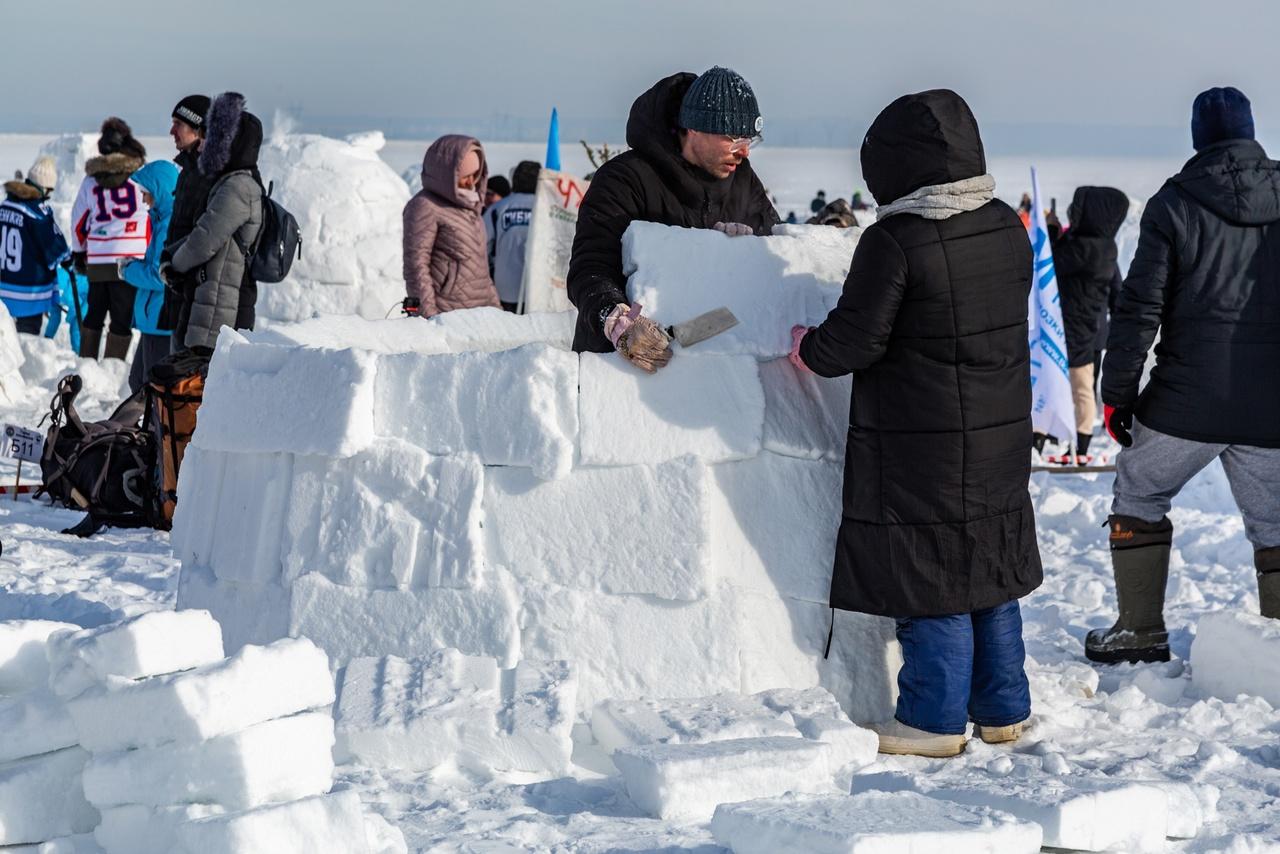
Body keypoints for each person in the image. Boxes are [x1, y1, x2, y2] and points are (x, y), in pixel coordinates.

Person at [791, 89, 1042, 758]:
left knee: (932, 575)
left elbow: (854, 342)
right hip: (998, 434)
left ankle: (931, 722)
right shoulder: (1004, 225)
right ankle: (1004, 710)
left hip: (921, 441)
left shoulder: (896, 240)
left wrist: (806, 346)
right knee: (990, 565)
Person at [1088, 87, 1280, 663]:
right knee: (1276, 524)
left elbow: (1138, 308)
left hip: (1184, 402)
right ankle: (1276, 646)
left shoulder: (1173, 204)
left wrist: (1118, 396)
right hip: (1272, 406)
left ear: (1199, 138)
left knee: (1140, 492)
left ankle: (1140, 631)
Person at [567, 66, 779, 363]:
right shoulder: (624, 180)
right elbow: (589, 267)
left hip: (706, 362)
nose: (744, 153)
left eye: (749, 141)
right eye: (734, 139)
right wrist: (617, 321)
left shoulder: (742, 179)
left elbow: (775, 251)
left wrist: (741, 249)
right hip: (621, 365)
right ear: (694, 128)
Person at [167, 92, 263, 351]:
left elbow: (204, 239)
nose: (202, 146)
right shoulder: (229, 183)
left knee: (198, 382)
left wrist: (172, 264)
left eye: (210, 139)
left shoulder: (238, 188)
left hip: (220, 306)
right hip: (211, 301)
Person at [1049, 186, 1129, 460]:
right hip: (1095, 331)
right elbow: (1117, 291)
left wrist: (1051, 234)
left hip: (1072, 330)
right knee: (1086, 386)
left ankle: (1071, 441)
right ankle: (1078, 441)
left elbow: (1053, 262)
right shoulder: (1107, 248)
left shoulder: (1079, 248)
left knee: (1074, 386)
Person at [70, 118, 149, 360]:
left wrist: (79, 251)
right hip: (131, 257)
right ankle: (113, 367)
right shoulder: (140, 177)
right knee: (121, 319)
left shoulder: (91, 180)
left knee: (94, 314)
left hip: (98, 257)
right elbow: (151, 214)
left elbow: (78, 221)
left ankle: (87, 364)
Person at [402, 135, 501, 318]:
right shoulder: (424, 206)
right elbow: (416, 267)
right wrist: (429, 316)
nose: (471, 182)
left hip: (481, 314)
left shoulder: (471, 206)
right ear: (448, 174)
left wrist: (497, 310)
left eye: (475, 175)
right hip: (447, 315)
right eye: (465, 176)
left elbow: (480, 268)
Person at [120, 160, 179, 392]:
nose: (144, 200)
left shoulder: (167, 225)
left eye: (146, 193)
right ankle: (147, 428)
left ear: (160, 190)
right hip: (152, 320)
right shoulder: (161, 221)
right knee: (139, 384)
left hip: (160, 320)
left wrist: (127, 270)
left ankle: (155, 429)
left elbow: (158, 276)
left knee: (152, 389)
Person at [161, 95, 211, 350]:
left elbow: (204, 235)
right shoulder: (189, 172)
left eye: (178, 124)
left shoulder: (208, 175)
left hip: (194, 296)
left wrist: (173, 263)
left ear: (198, 128)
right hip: (179, 292)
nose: (171, 131)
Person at [0, 157, 70, 334]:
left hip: (3, 288)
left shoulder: (4, 206)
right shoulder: (37, 214)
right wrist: (69, 259)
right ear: (44, 188)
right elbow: (56, 248)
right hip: (28, 294)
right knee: (26, 341)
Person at [485, 160, 539, 312]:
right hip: (539, 290)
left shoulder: (497, 209)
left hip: (504, 290)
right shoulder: (547, 209)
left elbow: (481, 247)